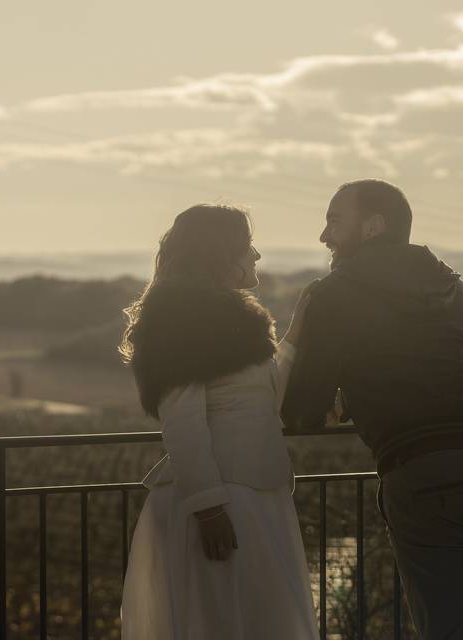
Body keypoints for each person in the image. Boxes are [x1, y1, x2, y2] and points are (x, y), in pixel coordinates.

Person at [282, 179, 463, 639]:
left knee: (447, 631)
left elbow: (301, 411)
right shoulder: (454, 284)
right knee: (457, 622)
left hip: (426, 476)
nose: (324, 236)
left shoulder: (335, 292)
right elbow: (436, 366)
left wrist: (333, 400)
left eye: (333, 221)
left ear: (373, 227)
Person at [119, 204, 319, 639]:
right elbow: (182, 420)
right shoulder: (182, 320)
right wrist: (208, 508)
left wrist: (298, 331)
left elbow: (265, 398)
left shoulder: (231, 321)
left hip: (252, 495)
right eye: (248, 246)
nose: (257, 256)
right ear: (218, 253)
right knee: (226, 622)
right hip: (222, 502)